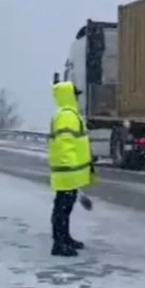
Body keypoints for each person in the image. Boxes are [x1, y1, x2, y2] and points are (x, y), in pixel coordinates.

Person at [47, 80, 95, 257]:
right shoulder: (67, 115)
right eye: (75, 94)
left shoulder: (67, 114)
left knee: (64, 208)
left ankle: (64, 238)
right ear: (69, 95)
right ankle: (59, 244)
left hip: (69, 172)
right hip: (67, 172)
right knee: (62, 208)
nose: (77, 97)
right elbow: (65, 142)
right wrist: (70, 165)